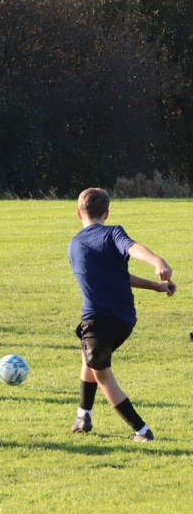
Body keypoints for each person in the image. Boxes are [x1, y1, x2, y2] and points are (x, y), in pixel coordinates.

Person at [68, 187, 176, 442]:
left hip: (97, 320)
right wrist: (157, 280)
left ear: (78, 214)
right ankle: (83, 416)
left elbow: (132, 249)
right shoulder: (113, 233)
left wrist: (157, 262)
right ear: (106, 212)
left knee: (102, 371)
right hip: (124, 319)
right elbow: (127, 261)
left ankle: (141, 431)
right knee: (89, 358)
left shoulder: (75, 244)